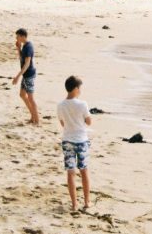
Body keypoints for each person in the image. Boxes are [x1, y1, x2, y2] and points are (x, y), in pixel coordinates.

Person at [57, 75, 92, 211]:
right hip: (81, 140)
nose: (80, 90)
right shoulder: (82, 104)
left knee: (70, 173)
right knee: (84, 171)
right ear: (76, 89)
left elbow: (62, 123)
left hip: (67, 140)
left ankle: (74, 204)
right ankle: (87, 202)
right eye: (80, 87)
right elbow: (89, 122)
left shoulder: (60, 105)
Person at [12, 28, 39, 125]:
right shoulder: (24, 46)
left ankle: (37, 120)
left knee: (31, 98)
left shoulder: (28, 47)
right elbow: (21, 59)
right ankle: (33, 117)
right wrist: (18, 48)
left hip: (29, 75)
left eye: (18, 36)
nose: (16, 38)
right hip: (26, 75)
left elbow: (27, 64)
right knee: (22, 95)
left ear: (23, 36)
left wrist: (17, 77)